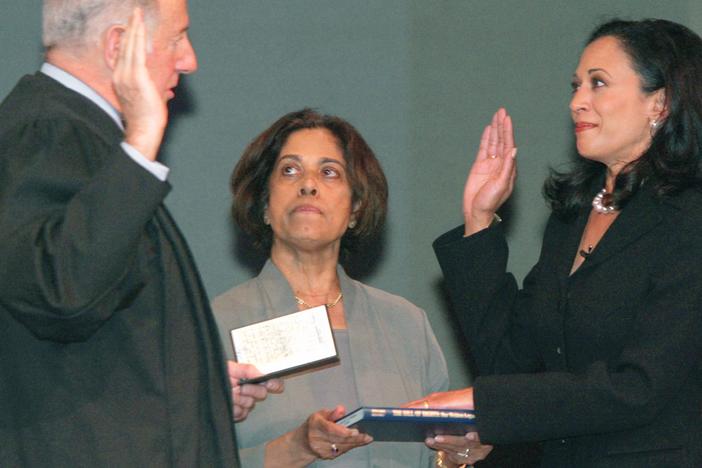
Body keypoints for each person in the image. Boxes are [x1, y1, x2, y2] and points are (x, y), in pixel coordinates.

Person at [408, 18, 702, 467]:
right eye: (575, 86)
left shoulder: (690, 220)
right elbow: (510, 364)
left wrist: (481, 403)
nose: (577, 102)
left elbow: (640, 387)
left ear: (658, 102)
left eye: (598, 83)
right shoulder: (570, 222)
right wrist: (479, 220)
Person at [0, 1, 280, 466]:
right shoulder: (46, 130)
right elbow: (60, 289)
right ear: (118, 45)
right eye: (176, 39)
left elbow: (93, 316)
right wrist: (143, 136)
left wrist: (195, 386)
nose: (189, 60)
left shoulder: (77, 136)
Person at [213, 108, 453, 467]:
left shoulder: (406, 325)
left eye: (329, 173)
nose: (308, 185)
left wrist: (458, 458)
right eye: (290, 170)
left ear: (356, 208)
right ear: (264, 204)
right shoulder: (216, 325)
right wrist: (297, 447)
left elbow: (436, 455)